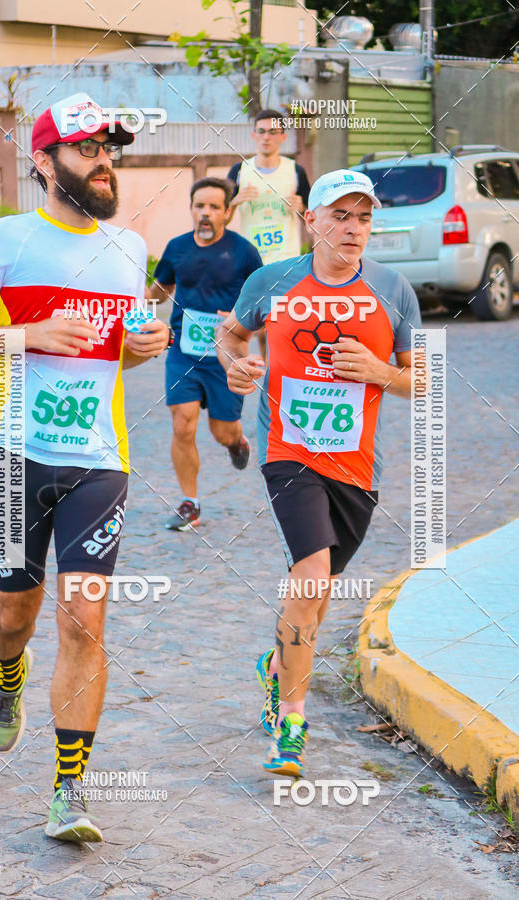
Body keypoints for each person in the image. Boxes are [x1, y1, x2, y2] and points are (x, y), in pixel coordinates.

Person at [0, 92, 171, 843]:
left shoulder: (128, 250)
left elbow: (117, 355)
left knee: (85, 619)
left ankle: (70, 790)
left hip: (99, 461)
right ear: (45, 161)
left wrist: (140, 349)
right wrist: (28, 333)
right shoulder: (8, 239)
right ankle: (8, 678)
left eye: (109, 149)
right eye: (87, 149)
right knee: (15, 614)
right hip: (15, 456)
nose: (105, 162)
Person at [217, 169, 421, 778]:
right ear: (311, 220)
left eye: (364, 217)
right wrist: (235, 365)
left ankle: (278, 666)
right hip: (289, 453)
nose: (353, 228)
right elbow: (230, 334)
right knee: (308, 579)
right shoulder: (271, 281)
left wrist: (379, 372)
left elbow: (427, 381)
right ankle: (291, 722)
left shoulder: (394, 290)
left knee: (319, 586)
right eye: (340, 215)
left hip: (357, 467)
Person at [152, 176, 263, 531]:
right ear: (191, 208)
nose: (206, 213)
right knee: (182, 422)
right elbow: (160, 289)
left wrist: (239, 317)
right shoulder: (177, 248)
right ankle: (190, 503)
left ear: (227, 212)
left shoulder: (244, 252)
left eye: (214, 207)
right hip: (183, 353)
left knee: (222, 432)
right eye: (199, 206)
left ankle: (236, 441)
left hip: (226, 356)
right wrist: (137, 300)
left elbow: (263, 304)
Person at [227, 108, 311, 359]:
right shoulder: (239, 171)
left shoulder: (295, 171)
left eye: (273, 132)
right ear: (253, 135)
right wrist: (234, 201)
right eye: (261, 131)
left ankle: (283, 369)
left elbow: (313, 219)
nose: (266, 137)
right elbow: (222, 217)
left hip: (287, 260)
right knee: (258, 326)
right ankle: (267, 372)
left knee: (285, 323)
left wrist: (301, 209)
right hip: (252, 262)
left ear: (283, 136)